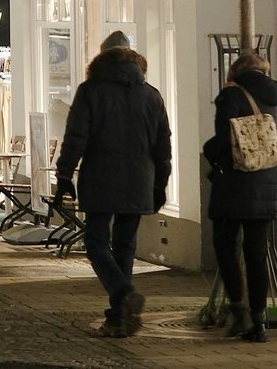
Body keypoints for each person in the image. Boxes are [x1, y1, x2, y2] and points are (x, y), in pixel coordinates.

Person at [54, 30, 172, 337]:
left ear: (102, 58)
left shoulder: (91, 90)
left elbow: (75, 137)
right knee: (125, 245)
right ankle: (120, 317)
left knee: (95, 243)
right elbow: (163, 146)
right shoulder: (152, 95)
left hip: (100, 179)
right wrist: (161, 183)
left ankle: (123, 295)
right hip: (139, 180)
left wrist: (64, 175)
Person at [204, 53, 277, 343]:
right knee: (256, 252)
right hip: (267, 179)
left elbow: (225, 137)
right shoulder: (274, 96)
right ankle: (259, 321)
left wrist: (208, 151)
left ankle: (239, 311)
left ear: (234, 72)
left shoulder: (231, 95)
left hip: (235, 180)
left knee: (225, 244)